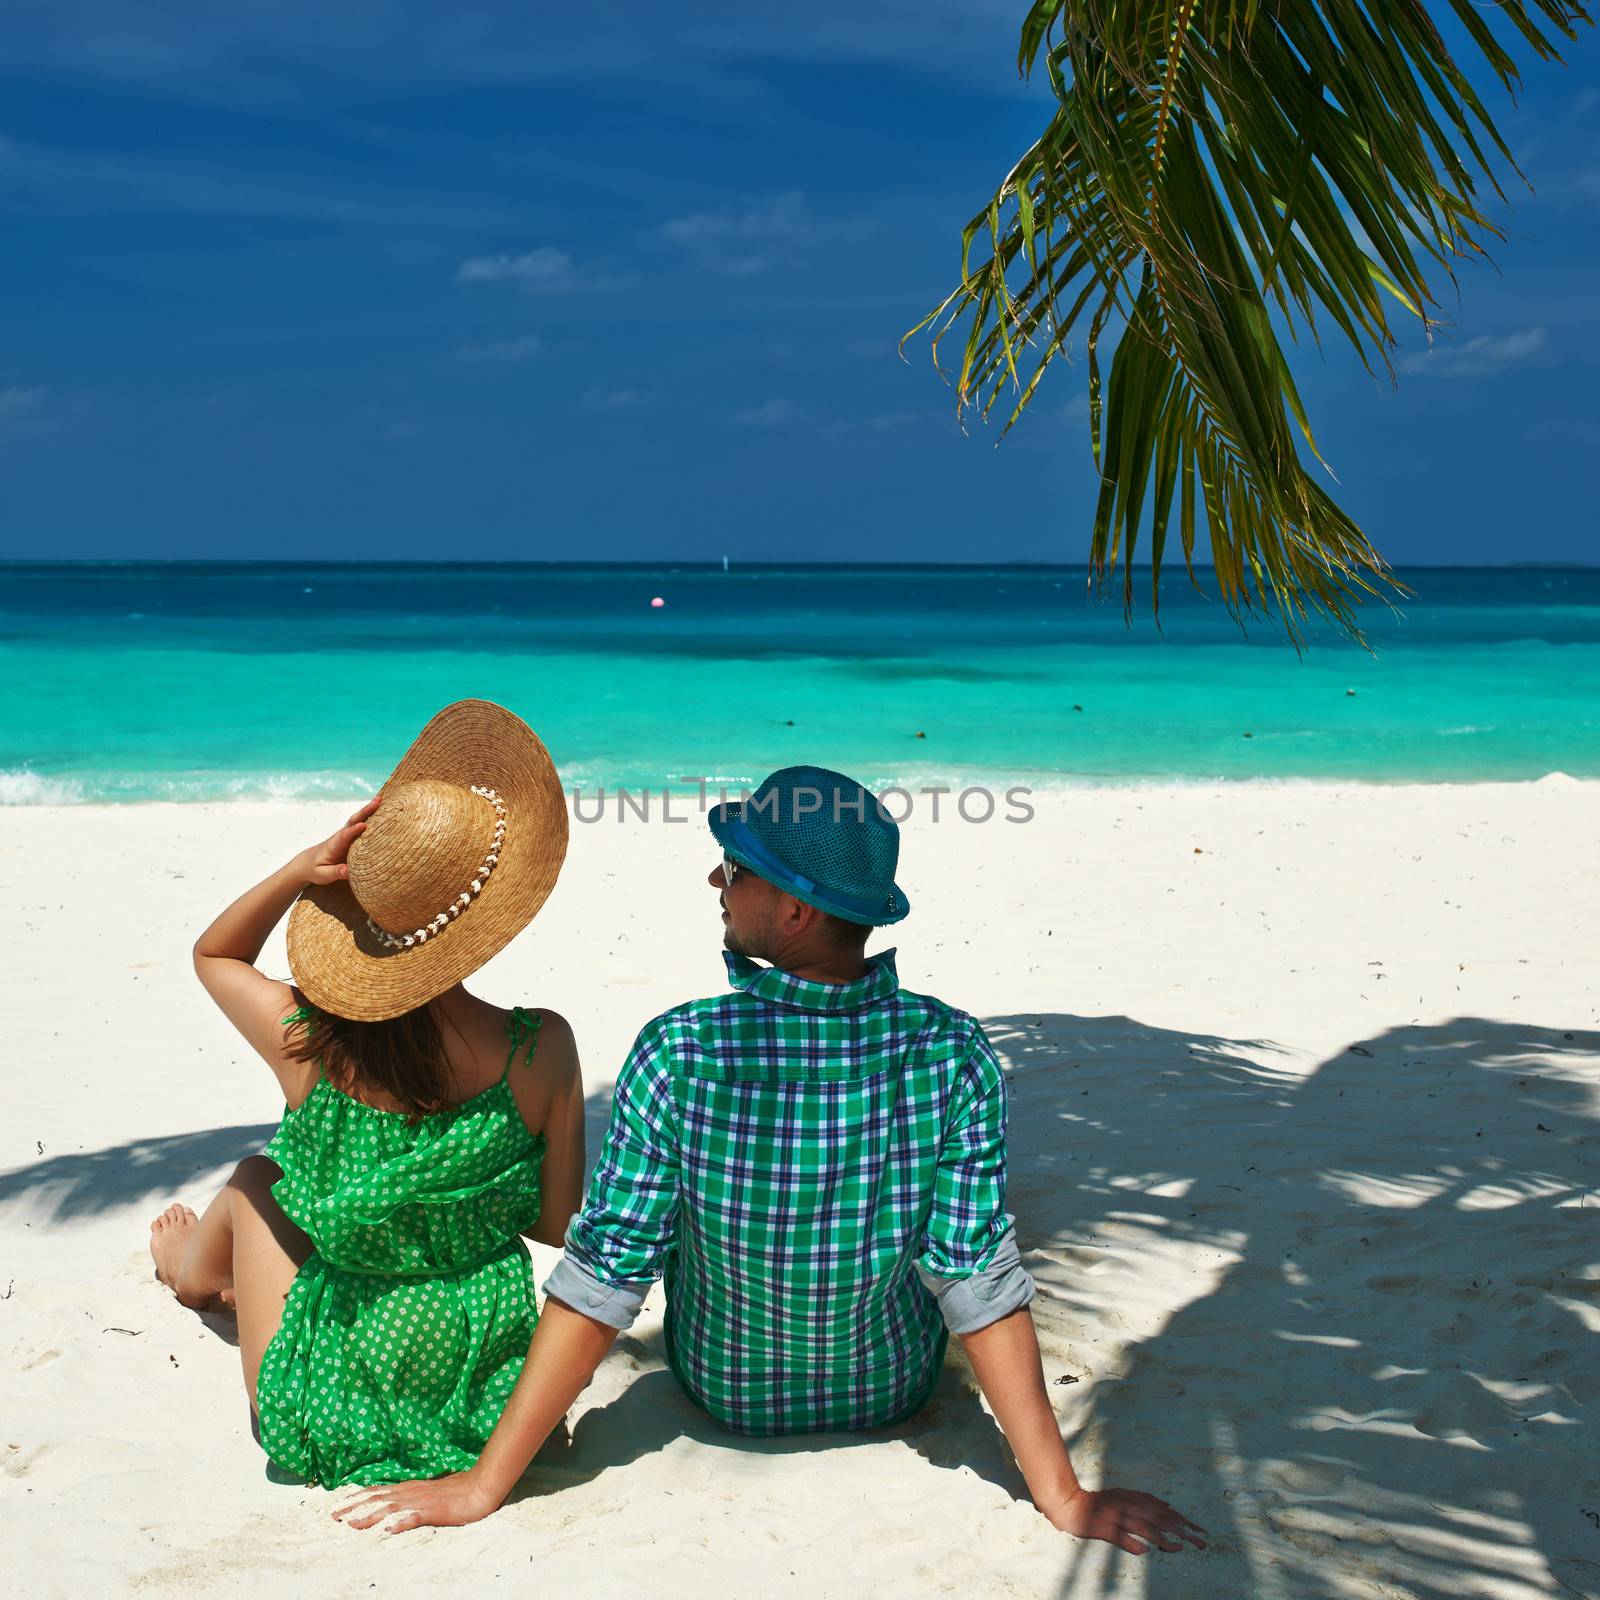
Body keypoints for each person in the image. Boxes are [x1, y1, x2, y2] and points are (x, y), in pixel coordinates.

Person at [337, 765, 1205, 1556]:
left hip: (727, 1395)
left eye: (736, 868)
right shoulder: (953, 1050)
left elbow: (608, 1272)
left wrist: (487, 1484)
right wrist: (1061, 1497)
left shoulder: (681, 1050)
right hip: (889, 1392)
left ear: (794, 911)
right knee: (950, 1230)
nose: (717, 880)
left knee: (652, 1222)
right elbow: (975, 1273)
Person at [147, 699, 585, 1488]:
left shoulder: (309, 1043)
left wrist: (297, 869)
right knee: (344, 1204)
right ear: (484, 919)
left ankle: (189, 1272)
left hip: (341, 1399)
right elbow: (555, 1223)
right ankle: (208, 1271)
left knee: (257, 1180)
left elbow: (215, 956)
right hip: (482, 1391)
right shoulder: (542, 1048)